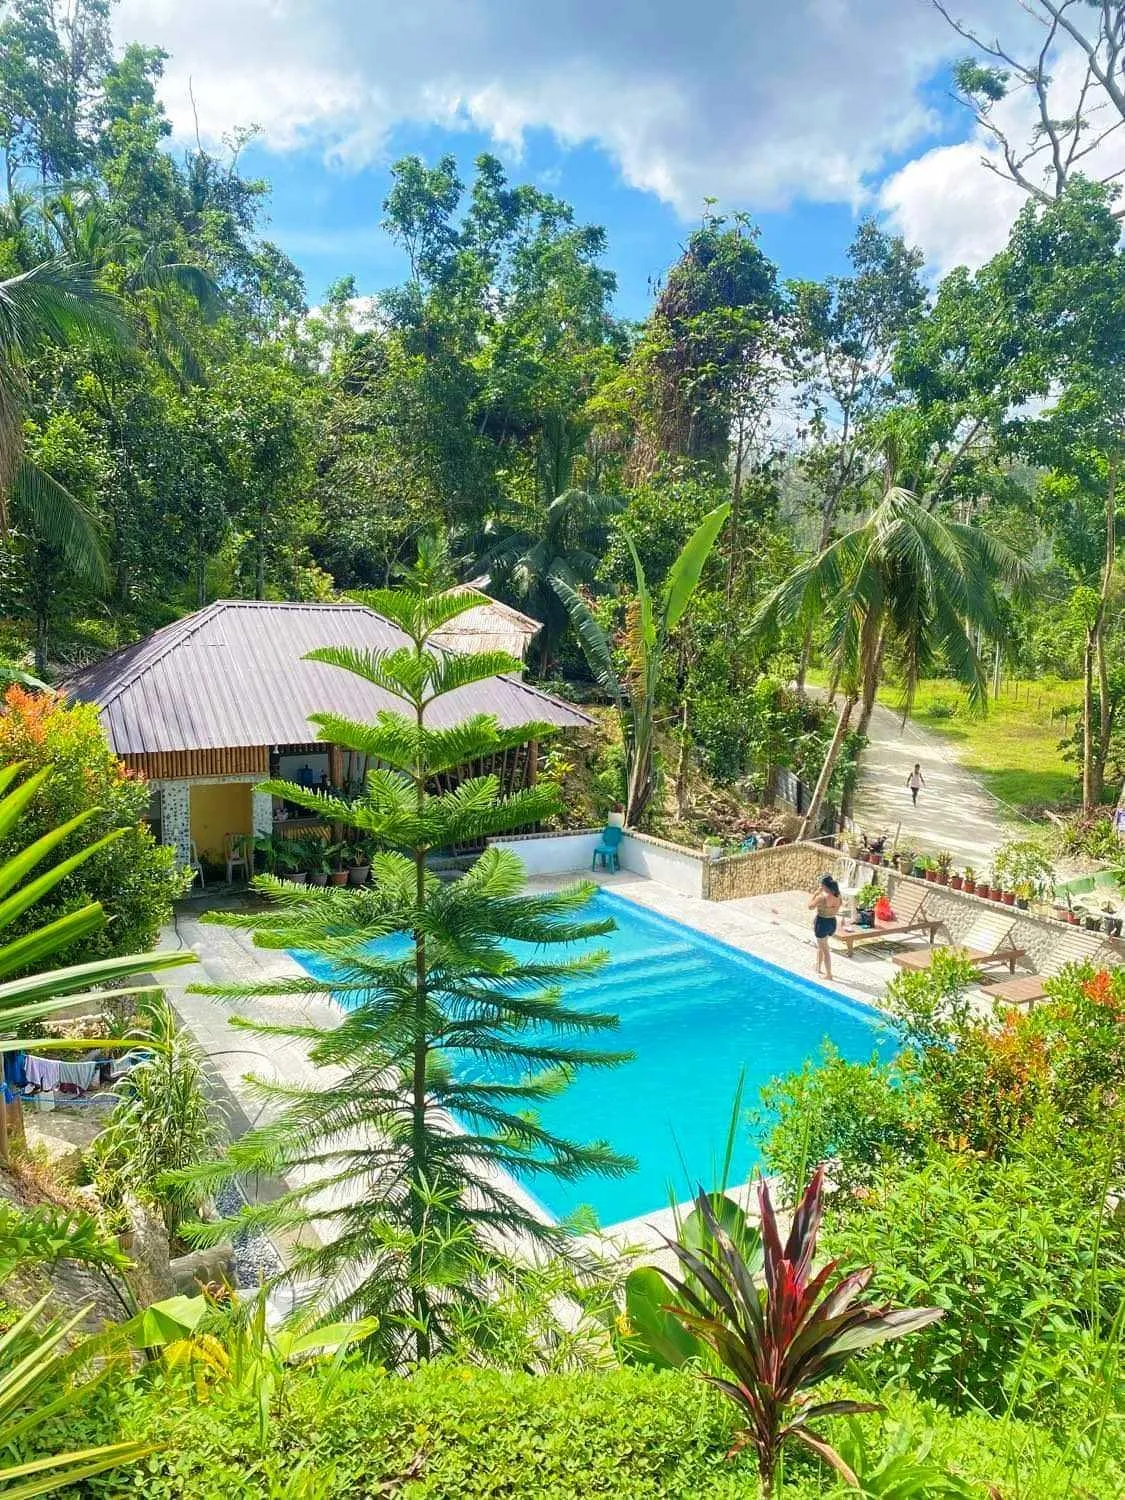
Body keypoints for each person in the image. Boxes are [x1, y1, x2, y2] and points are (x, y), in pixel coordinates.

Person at [808, 874, 842, 980]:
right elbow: (840, 905)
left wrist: (815, 894)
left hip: (822, 923)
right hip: (832, 921)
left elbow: (810, 906)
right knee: (822, 946)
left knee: (825, 949)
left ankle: (829, 974)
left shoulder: (821, 897)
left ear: (823, 885)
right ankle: (818, 966)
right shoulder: (838, 895)